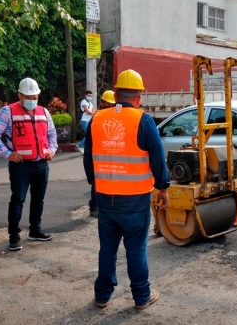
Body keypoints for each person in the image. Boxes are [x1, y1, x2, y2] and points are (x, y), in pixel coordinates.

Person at [83, 69, 170, 310]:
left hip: (105, 199)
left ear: (116, 92)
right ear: (139, 96)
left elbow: (88, 157)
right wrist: (163, 187)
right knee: (136, 250)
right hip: (135, 201)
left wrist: (95, 182)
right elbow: (157, 157)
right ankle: (141, 297)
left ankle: (102, 296)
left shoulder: (97, 119)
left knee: (107, 249)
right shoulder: (143, 120)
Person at [0, 78, 58, 252]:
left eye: (35, 97)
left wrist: (51, 150)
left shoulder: (44, 112)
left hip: (41, 164)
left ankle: (35, 230)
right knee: (18, 200)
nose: (32, 100)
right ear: (19, 95)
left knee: (38, 199)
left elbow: (52, 135)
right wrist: (7, 154)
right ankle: (14, 236)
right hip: (21, 166)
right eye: (28, 96)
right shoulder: (7, 112)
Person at [88, 90, 116, 218]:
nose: (110, 106)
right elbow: (89, 146)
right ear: (103, 103)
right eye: (109, 104)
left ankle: (100, 207)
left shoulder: (101, 119)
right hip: (99, 160)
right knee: (97, 184)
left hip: (107, 159)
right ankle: (94, 207)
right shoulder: (96, 119)